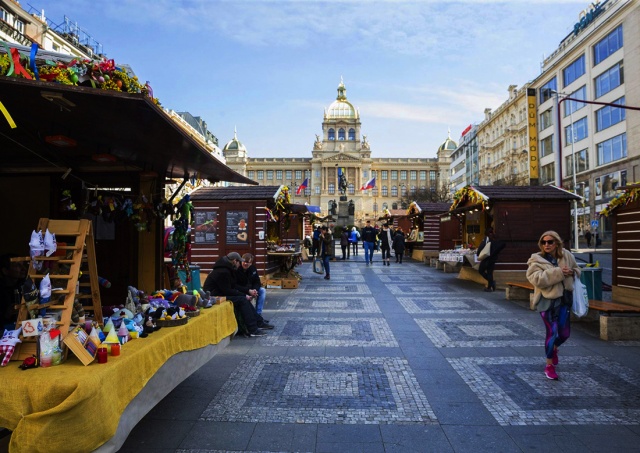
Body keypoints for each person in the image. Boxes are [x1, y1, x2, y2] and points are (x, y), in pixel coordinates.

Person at [526, 230, 581, 380]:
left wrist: (573, 271)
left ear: (557, 243)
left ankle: (554, 349)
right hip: (546, 300)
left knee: (564, 334)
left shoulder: (567, 255)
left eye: (550, 242)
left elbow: (578, 269)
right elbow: (536, 279)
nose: (546, 245)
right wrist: (559, 272)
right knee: (552, 331)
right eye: (543, 242)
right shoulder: (536, 260)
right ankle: (549, 366)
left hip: (564, 299)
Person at [202, 252, 270, 336]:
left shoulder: (226, 269)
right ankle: (252, 329)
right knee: (242, 300)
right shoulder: (224, 271)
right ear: (234, 261)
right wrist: (244, 295)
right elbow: (227, 290)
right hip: (213, 296)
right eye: (239, 262)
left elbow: (231, 287)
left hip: (218, 293)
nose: (240, 264)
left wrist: (246, 292)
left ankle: (258, 322)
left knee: (246, 297)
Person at [238, 253, 268, 320]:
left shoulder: (253, 268)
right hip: (242, 290)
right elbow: (237, 285)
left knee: (262, 290)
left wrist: (255, 290)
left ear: (251, 263)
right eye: (244, 262)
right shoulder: (237, 270)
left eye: (248, 262)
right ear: (241, 261)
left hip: (251, 289)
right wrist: (248, 291)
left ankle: (258, 315)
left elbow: (257, 281)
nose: (246, 264)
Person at [0, 254, 27, 329]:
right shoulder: (2, 289)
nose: (23, 269)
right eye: (17, 266)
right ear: (5, 271)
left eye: (23, 265)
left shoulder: (24, 285)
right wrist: (6, 314)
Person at [477, 227, 505, 292]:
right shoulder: (496, 239)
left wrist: (478, 253)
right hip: (493, 258)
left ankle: (491, 283)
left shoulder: (486, 239)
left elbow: (481, 246)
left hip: (487, 258)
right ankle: (489, 287)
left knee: (481, 271)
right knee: (490, 272)